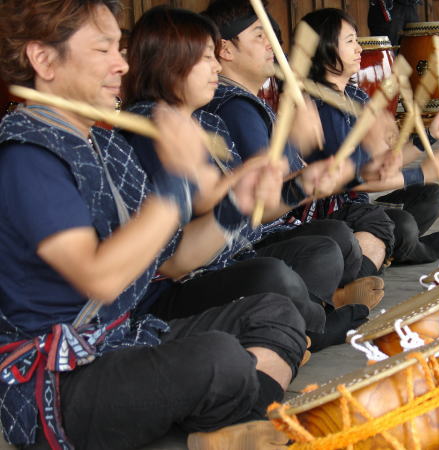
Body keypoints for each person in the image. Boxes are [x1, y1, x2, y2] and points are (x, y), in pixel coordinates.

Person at [0, 1, 307, 448]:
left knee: (274, 311)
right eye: (103, 49)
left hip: (125, 339)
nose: (121, 64)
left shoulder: (104, 143)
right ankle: (217, 430)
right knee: (221, 359)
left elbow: (178, 260)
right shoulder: (26, 156)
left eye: (119, 49)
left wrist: (238, 203)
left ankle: (226, 430)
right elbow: (99, 278)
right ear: (43, 59)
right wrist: (178, 182)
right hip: (61, 385)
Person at [121, 5, 367, 352]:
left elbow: (238, 203)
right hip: (174, 283)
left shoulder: (206, 123)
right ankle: (311, 327)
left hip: (225, 250)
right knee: (273, 274)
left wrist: (300, 182)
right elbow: (179, 253)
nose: (217, 68)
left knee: (322, 246)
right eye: (207, 58)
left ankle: (301, 325)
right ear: (171, 61)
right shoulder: (150, 130)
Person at [203, 0, 396, 290]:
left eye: (271, 36)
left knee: (373, 224)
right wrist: (301, 147)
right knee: (339, 236)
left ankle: (353, 280)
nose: (272, 44)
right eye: (259, 35)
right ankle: (344, 290)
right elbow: (267, 195)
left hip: (282, 219)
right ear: (226, 49)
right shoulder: (235, 106)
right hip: (252, 238)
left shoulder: (245, 101)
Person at [300, 7, 439, 265]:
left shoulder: (355, 97)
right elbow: (355, 181)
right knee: (404, 224)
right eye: (350, 41)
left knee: (429, 195)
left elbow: (384, 165)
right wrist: (418, 174)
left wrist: (430, 135)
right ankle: (406, 248)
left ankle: (394, 247)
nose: (359, 48)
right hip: (332, 215)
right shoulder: (321, 106)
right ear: (325, 48)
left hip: (361, 209)